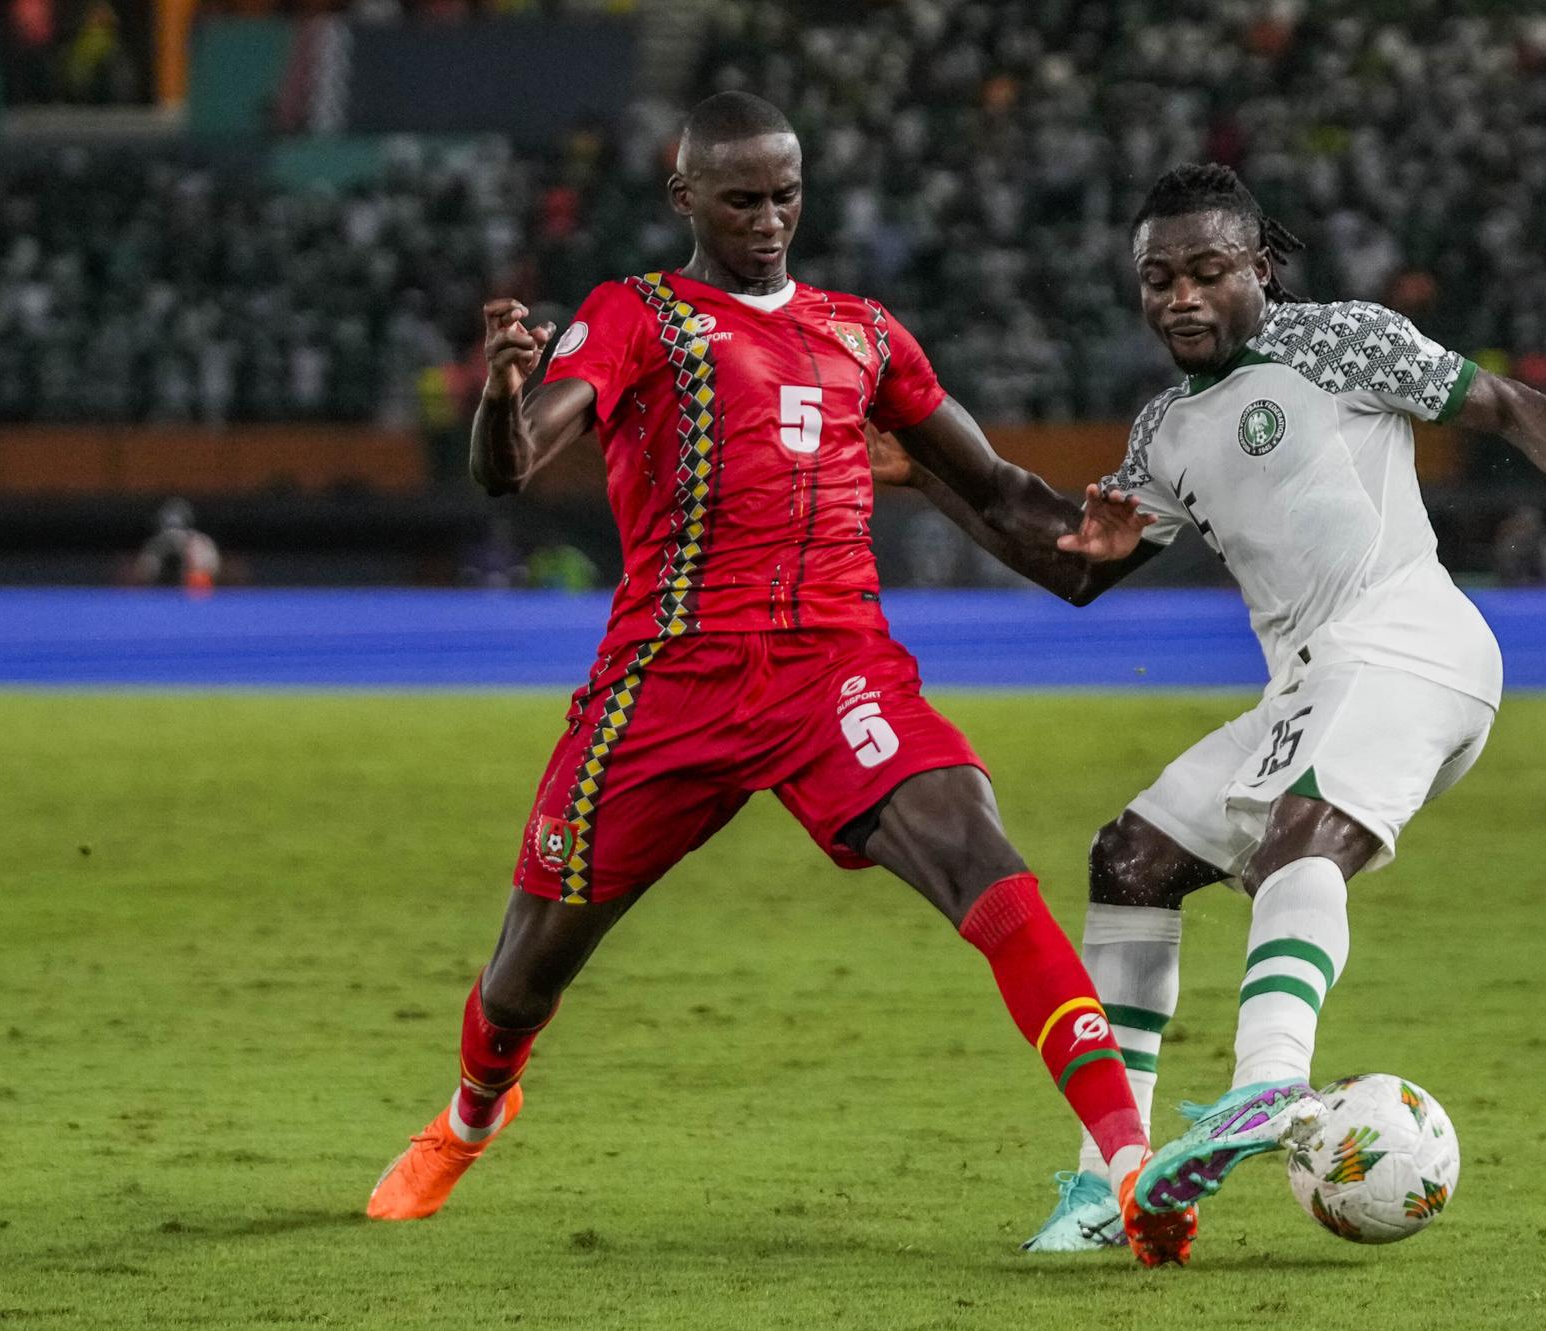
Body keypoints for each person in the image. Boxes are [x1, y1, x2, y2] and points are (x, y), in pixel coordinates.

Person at [364, 92, 1196, 1267]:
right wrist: (498, 397)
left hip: (832, 671)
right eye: (742, 197)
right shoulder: (634, 314)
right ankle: (470, 1115)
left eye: (785, 195)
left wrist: (1096, 536)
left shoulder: (862, 330)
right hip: (668, 684)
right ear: (685, 197)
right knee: (524, 972)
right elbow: (514, 465)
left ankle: (1126, 1164)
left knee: (984, 860)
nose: (767, 219)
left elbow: (999, 492)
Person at [874, 163, 1546, 1248]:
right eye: (1157, 276)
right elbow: (1074, 563)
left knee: (1299, 832)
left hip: (1411, 643)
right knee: (1132, 856)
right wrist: (928, 474)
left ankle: (1266, 1085)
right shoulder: (1163, 427)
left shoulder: (1340, 339)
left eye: (1207, 271)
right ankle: (1110, 1181)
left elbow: (1509, 405)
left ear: (1258, 266)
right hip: (1307, 683)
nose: (1180, 296)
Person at [132, 498, 221, 592]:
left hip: (193, 593)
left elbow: (212, 570)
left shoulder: (200, 543)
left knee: (199, 578)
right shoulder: (157, 544)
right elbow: (145, 573)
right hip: (160, 592)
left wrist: (189, 566)